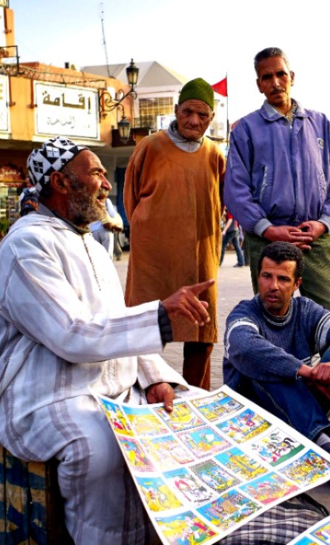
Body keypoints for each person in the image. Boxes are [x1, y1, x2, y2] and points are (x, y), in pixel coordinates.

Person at [0, 136, 214, 544]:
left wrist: (155, 377)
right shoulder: (26, 245)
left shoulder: (93, 245)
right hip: (42, 398)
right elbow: (72, 333)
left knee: (191, 412)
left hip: (111, 390)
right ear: (60, 182)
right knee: (101, 446)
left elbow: (117, 323)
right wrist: (161, 313)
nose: (106, 185)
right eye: (96, 174)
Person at [223, 242, 330, 484]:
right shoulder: (244, 314)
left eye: (283, 279)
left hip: (298, 407)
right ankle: (321, 446)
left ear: (297, 284)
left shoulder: (305, 310)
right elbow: (246, 348)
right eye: (266, 276)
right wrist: (308, 373)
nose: (273, 286)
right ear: (258, 277)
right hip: (256, 413)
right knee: (267, 365)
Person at [224, 47, 330, 320]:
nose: (275, 82)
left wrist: (324, 222)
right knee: (273, 320)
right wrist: (267, 229)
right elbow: (235, 189)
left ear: (292, 76)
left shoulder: (320, 124)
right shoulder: (245, 130)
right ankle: (289, 365)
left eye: (281, 74)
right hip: (267, 240)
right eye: (267, 77)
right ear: (259, 84)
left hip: (313, 237)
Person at [124, 78, 226, 390]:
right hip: (152, 259)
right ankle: (139, 392)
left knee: (200, 333)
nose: (194, 121)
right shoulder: (150, 146)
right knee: (143, 329)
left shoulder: (215, 155)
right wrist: (149, 231)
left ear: (210, 118)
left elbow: (222, 201)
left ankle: (194, 397)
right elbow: (130, 198)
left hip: (199, 255)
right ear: (176, 110)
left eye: (203, 115)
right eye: (188, 112)